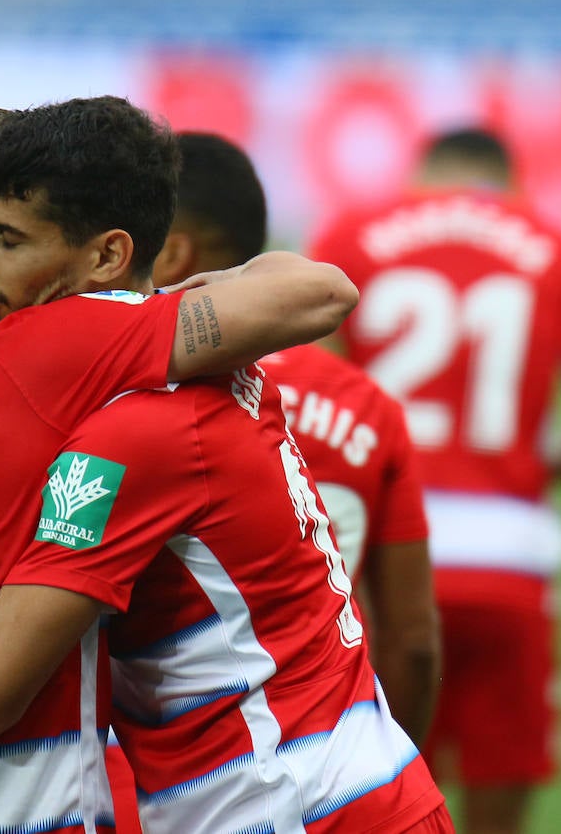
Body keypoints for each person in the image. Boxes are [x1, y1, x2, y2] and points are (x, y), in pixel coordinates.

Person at [0, 106, 454, 832]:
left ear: (106, 255)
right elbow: (312, 285)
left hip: (287, 802)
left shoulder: (120, 428)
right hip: (340, 780)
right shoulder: (159, 372)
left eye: (7, 239)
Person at [308, 127, 561, 834]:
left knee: (369, 800)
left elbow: (308, 394)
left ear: (424, 173)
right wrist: (524, 467)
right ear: (508, 179)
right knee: (498, 802)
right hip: (508, 555)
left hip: (380, 561)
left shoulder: (353, 234)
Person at [150, 131, 440, 747]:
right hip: (338, 742)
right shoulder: (365, 406)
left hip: (184, 755)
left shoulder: (132, 392)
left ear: (173, 255)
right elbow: (413, 640)